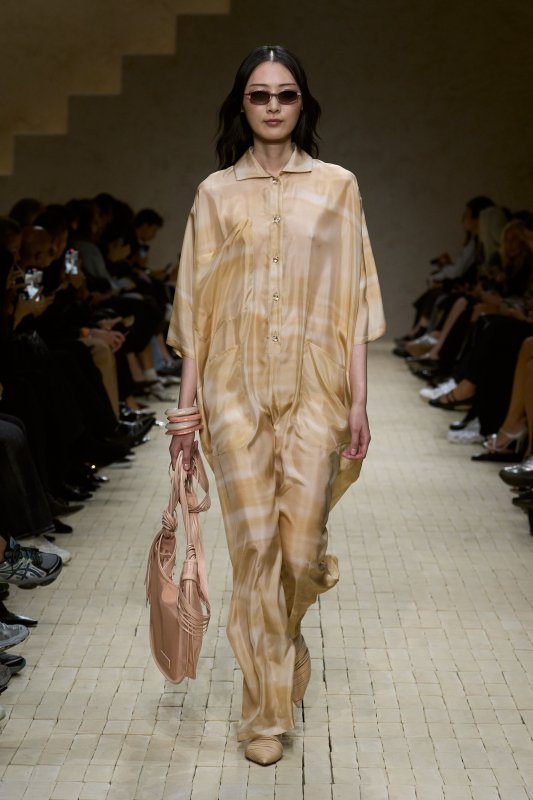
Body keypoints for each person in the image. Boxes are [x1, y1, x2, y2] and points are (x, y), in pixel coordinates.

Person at [167, 45, 386, 766]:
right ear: (242, 104)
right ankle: (263, 714)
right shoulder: (214, 193)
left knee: (299, 549)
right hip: (232, 388)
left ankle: (284, 638)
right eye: (259, 94)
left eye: (284, 94)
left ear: (302, 104)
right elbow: (194, 310)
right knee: (255, 549)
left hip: (318, 387)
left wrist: (358, 399)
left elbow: (355, 298)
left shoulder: (338, 187)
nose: (271, 106)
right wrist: (185, 412)